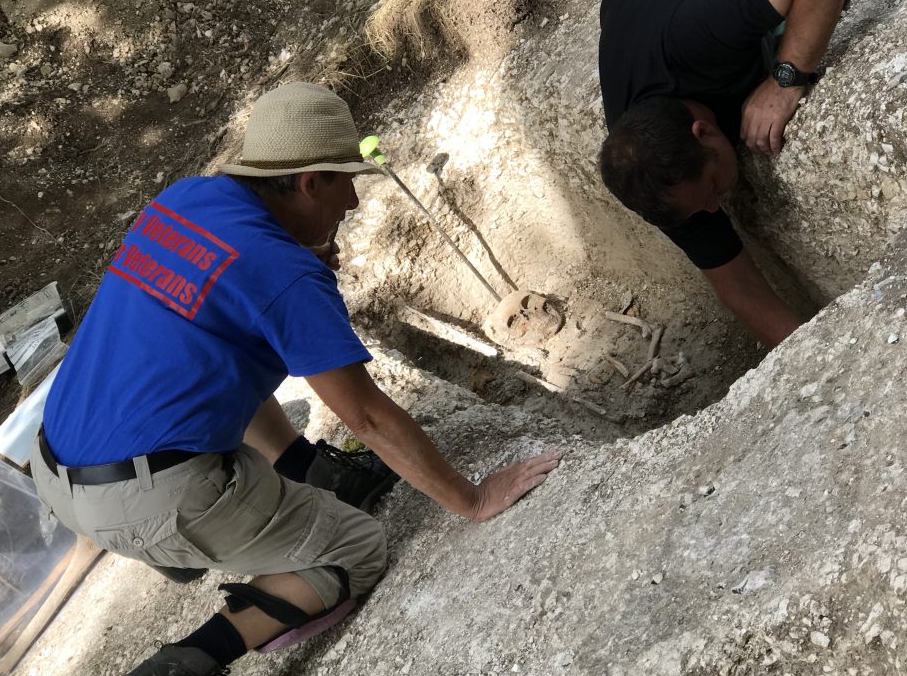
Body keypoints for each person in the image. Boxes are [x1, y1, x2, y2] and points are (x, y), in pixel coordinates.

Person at [30, 82, 562, 676]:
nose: (354, 202)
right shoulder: (286, 275)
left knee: (227, 344)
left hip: (57, 465)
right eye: (345, 180)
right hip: (147, 498)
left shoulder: (186, 200)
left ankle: (303, 478)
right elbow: (367, 416)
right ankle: (199, 653)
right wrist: (472, 498)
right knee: (355, 547)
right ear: (310, 182)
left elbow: (231, 319)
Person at [597, 0, 853, 348]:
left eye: (713, 187)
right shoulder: (651, 175)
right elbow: (738, 288)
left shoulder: (697, 38)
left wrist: (786, 79)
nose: (717, 207)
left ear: (704, 132)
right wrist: (819, 362)